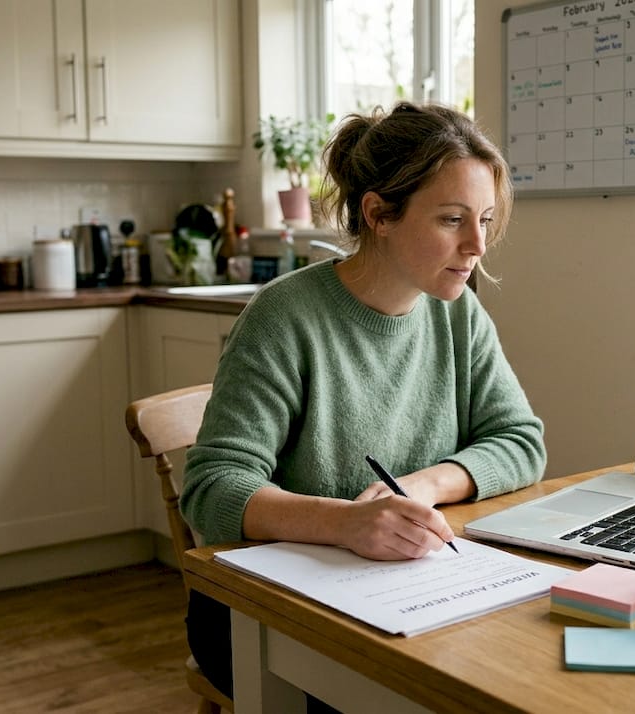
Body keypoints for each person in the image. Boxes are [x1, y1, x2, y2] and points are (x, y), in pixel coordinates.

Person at [179, 101, 546, 700]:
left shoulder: (458, 315)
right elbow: (213, 488)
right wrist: (346, 523)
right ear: (378, 213)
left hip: (404, 599)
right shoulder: (284, 317)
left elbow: (521, 442)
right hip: (263, 619)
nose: (478, 244)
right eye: (453, 220)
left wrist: (422, 486)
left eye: (483, 218)